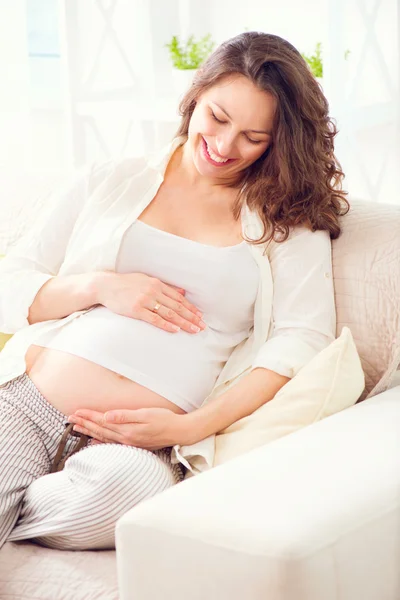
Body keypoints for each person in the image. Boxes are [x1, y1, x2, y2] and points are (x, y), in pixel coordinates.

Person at [0, 31, 348, 551]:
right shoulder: (109, 179)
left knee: (119, 498)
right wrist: (102, 286)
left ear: (282, 140)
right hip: (33, 399)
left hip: (144, 441)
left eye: (255, 136)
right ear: (196, 95)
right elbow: (13, 281)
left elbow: (302, 339)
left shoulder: (290, 222)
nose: (226, 146)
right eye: (218, 118)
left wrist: (190, 428)